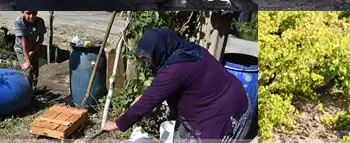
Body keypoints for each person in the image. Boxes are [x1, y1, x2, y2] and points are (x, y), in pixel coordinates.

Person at [102, 28, 252, 143]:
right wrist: (145, 98)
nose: (147, 62)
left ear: (160, 50)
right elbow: (160, 89)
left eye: (148, 58)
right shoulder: (187, 50)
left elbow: (147, 103)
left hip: (223, 114)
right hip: (229, 98)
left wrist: (116, 124)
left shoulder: (175, 69)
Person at [14, 9, 47, 88]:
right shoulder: (19, 22)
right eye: (28, 13)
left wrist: (32, 51)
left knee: (35, 72)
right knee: (28, 70)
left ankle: (33, 90)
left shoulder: (40, 22)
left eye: (34, 13)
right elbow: (23, 43)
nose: (31, 16)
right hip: (21, 49)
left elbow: (41, 39)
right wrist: (27, 61)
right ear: (22, 12)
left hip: (33, 47)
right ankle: (27, 93)